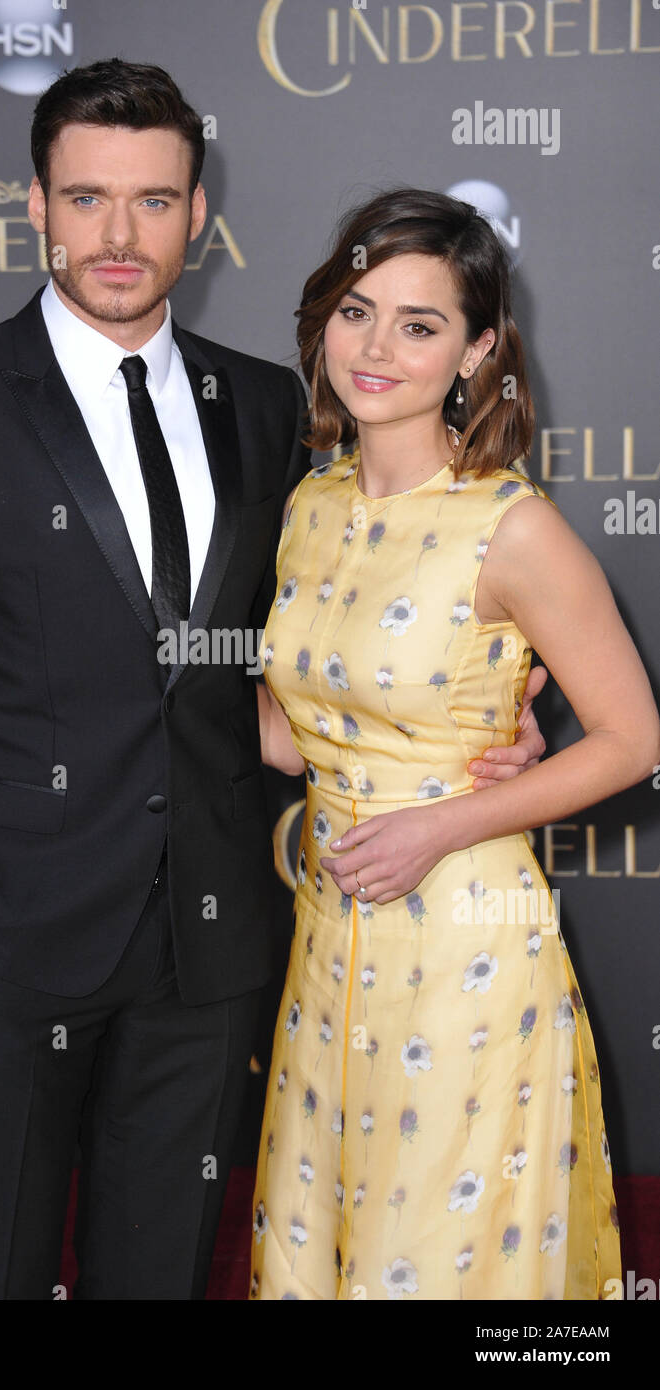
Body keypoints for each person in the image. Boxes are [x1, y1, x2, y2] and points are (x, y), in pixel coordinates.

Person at [0, 62, 542, 1301]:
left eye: (153, 201)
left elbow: (332, 641)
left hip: (210, 957)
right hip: (3, 942)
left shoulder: (265, 407)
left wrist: (487, 727)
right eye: (87, 198)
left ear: (198, 213)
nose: (118, 235)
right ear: (36, 206)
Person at [251, 187, 660, 1301]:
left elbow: (632, 739)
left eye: (420, 324)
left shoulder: (510, 525)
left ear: (479, 349)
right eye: (357, 308)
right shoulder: (311, 504)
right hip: (331, 934)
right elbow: (288, 745)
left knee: (432, 1261)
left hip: (467, 941)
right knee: (320, 1237)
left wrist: (444, 821)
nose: (376, 346)